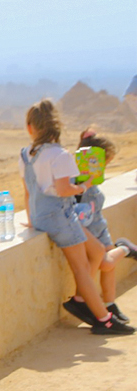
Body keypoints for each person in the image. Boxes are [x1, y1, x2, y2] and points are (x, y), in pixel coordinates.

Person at [21, 101, 131, 335]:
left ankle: (90, 304)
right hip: (61, 218)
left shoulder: (25, 155)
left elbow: (28, 192)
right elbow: (63, 191)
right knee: (81, 269)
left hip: (41, 217)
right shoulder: (60, 155)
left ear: (30, 128)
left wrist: (32, 221)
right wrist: (83, 187)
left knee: (98, 251)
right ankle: (103, 319)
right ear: (57, 126)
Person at [74, 128, 134, 324]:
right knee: (107, 262)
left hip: (99, 227)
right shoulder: (73, 175)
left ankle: (110, 304)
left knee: (109, 269)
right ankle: (125, 248)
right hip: (87, 231)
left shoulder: (94, 179)